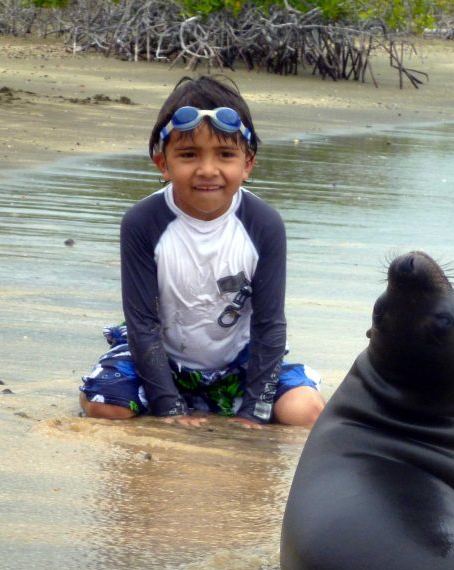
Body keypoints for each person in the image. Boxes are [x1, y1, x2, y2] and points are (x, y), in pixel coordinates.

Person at [79, 76, 325, 429]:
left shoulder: (264, 224)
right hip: (158, 361)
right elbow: (142, 324)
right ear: (163, 163)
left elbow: (270, 326)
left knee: (305, 412)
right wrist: (168, 407)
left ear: (248, 163)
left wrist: (254, 411)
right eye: (189, 155)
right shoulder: (142, 223)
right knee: (110, 408)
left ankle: (218, 403)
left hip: (239, 364)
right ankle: (122, 394)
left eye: (225, 155)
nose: (208, 170)